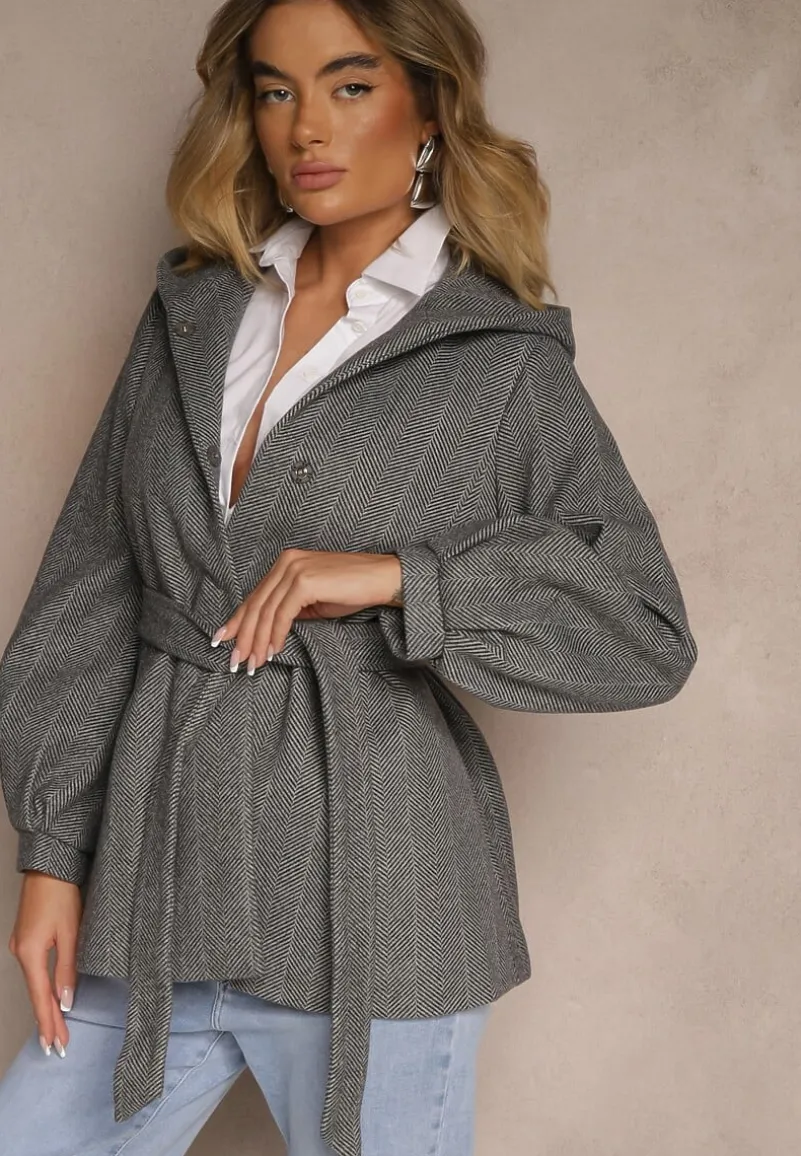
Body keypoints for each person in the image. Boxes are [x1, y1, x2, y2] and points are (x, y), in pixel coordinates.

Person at [0, 0, 699, 1153]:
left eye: (351, 85)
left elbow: (641, 622)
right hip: (157, 883)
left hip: (378, 900)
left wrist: (403, 579)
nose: (307, 127)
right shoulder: (192, 310)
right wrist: (54, 853)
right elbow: (92, 589)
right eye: (276, 90)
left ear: (429, 108)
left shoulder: (497, 359)